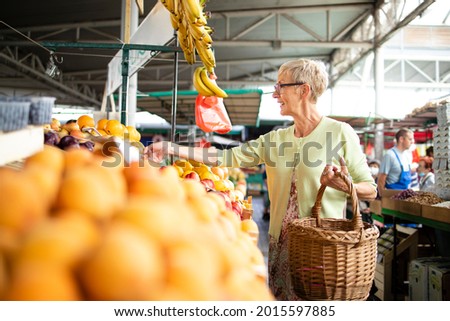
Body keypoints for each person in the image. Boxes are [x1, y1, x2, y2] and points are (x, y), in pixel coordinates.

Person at [145, 58, 377, 300]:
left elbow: (370, 189)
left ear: (304, 89)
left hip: (322, 251)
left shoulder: (340, 133)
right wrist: (172, 148)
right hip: (280, 249)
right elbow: (226, 156)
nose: (275, 94)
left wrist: (344, 185)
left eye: (280, 86)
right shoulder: (274, 139)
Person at [377, 128, 414, 195]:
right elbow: (381, 178)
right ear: (401, 139)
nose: (412, 142)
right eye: (410, 139)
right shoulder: (390, 155)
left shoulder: (407, 155)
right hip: (392, 195)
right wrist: (383, 196)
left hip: (405, 194)